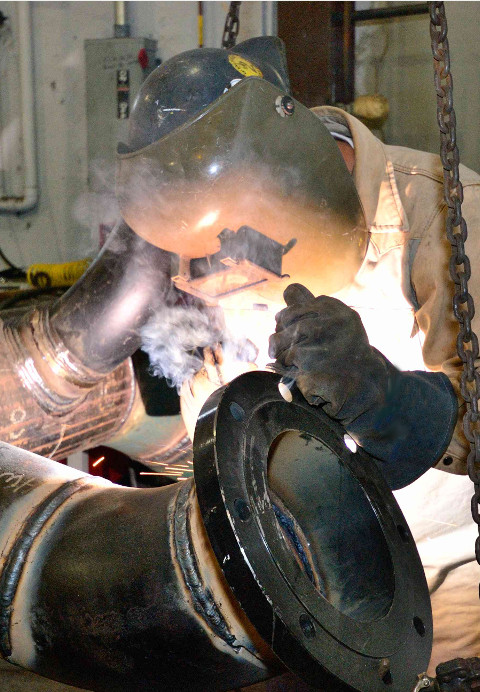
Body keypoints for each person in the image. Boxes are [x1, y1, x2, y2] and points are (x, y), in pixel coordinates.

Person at [115, 36, 480, 676]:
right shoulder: (214, 236)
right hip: (304, 587)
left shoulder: (450, 214)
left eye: (233, 252)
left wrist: (388, 400)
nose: (216, 273)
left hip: (452, 597)